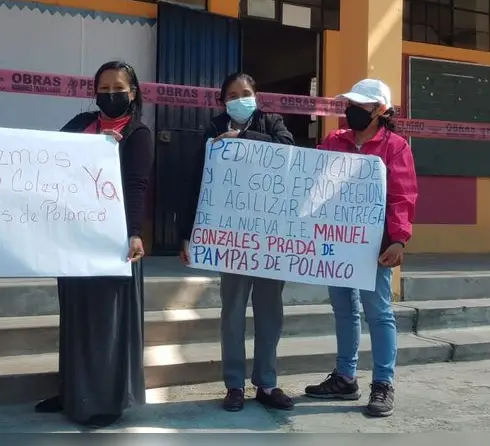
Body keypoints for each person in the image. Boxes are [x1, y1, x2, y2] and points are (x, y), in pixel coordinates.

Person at [34, 61, 154, 428]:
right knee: (74, 316)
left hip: (112, 241)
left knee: (106, 323)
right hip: (73, 238)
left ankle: (105, 401)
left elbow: (135, 186)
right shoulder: (79, 125)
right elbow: (48, 156)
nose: (110, 94)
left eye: (118, 87)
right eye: (103, 87)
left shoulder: (138, 133)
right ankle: (72, 392)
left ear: (132, 92)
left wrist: (134, 232)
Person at [179, 72, 296, 413]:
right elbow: (197, 183)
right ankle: (234, 385)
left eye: (245, 92)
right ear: (223, 101)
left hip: (271, 236)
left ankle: (267, 383)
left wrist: (243, 138)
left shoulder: (273, 122)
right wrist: (187, 234)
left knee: (269, 313)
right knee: (232, 312)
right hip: (232, 239)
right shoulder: (213, 130)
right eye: (232, 94)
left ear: (256, 95)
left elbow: (289, 151)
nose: (240, 98)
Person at [303, 78, 418, 418]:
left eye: (360, 106)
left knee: (378, 312)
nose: (351, 111)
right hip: (336, 242)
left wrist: (399, 238)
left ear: (380, 111)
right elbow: (308, 178)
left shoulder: (395, 147)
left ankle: (383, 382)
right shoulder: (333, 142)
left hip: (374, 246)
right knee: (343, 309)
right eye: (349, 104)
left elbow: (403, 195)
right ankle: (344, 377)